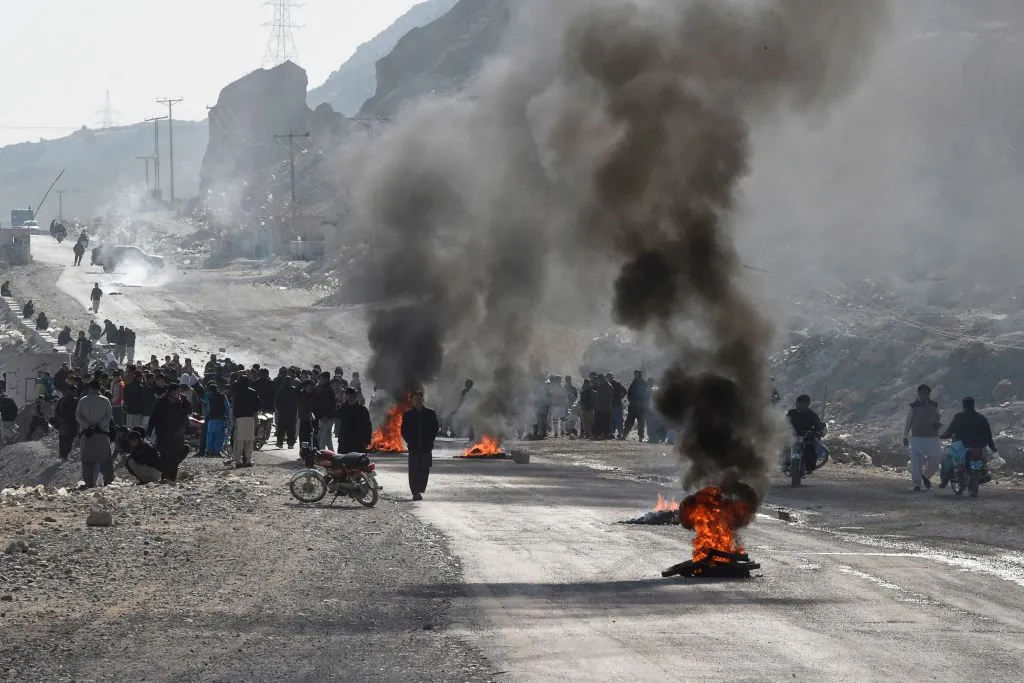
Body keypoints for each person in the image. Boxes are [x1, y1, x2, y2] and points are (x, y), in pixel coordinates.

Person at [940, 397, 997, 488]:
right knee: (981, 461)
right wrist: (993, 447)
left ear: (963, 405)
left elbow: (950, 431)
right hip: (978, 446)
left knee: (948, 458)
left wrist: (942, 436)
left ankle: (945, 479)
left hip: (962, 446)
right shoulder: (981, 418)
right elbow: (988, 435)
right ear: (973, 405)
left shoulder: (959, 417)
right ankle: (983, 473)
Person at [902, 384, 942, 491]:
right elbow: (908, 422)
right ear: (919, 394)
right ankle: (917, 484)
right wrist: (905, 436)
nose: (926, 395)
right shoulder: (914, 406)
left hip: (932, 437)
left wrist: (938, 424)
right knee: (916, 461)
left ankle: (926, 476)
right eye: (924, 393)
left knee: (935, 460)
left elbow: (938, 418)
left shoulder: (934, 405)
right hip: (917, 438)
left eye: (928, 393)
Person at [400, 389, 439, 501]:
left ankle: (420, 489)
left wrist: (431, 439)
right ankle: (415, 492)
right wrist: (409, 440)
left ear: (423, 399)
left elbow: (435, 428)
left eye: (419, 398)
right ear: (412, 400)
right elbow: (404, 430)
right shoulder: (408, 415)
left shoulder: (430, 413)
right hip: (414, 447)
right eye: (415, 399)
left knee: (424, 470)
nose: (417, 401)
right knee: (414, 470)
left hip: (426, 446)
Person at [148, 383, 191, 482]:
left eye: (179, 391)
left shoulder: (181, 402)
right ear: (170, 392)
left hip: (177, 433)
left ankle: (171, 477)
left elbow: (188, 412)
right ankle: (164, 475)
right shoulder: (161, 402)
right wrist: (149, 430)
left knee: (174, 455)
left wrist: (185, 401)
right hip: (163, 432)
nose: (178, 393)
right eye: (176, 391)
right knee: (164, 454)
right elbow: (153, 416)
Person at [76, 380, 114, 488]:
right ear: (100, 387)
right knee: (105, 458)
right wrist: (99, 425)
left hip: (87, 434)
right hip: (102, 433)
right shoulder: (105, 400)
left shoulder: (83, 400)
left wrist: (88, 425)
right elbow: (108, 417)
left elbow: (78, 416)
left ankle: (89, 482)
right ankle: (108, 480)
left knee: (87, 459)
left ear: (89, 388)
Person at [786, 394, 826, 475]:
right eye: (798, 403)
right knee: (785, 447)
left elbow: (818, 426)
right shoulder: (792, 413)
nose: (799, 405)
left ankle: (809, 467)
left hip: (806, 437)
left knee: (810, 449)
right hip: (792, 435)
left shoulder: (812, 414)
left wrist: (817, 432)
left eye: (802, 403)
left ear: (807, 404)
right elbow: (785, 422)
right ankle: (785, 464)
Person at [230, 375, 261, 468]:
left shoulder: (237, 393)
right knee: (249, 441)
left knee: (239, 442)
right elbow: (258, 406)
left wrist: (233, 420)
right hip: (250, 418)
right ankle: (248, 461)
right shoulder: (253, 392)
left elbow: (234, 408)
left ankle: (238, 461)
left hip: (240, 419)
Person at [337, 387, 372, 453]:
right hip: (345, 440)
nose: (350, 397)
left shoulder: (362, 409)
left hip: (358, 440)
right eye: (348, 395)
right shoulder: (343, 408)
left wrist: (367, 440)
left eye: (351, 395)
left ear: (355, 396)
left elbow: (367, 425)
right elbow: (337, 416)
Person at [203, 383, 231, 458]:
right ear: (217, 389)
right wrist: (228, 417)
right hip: (220, 419)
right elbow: (228, 407)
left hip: (212, 420)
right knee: (219, 436)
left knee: (210, 436)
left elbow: (208, 409)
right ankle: (216, 452)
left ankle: (209, 451)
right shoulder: (223, 396)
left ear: (210, 391)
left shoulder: (209, 397)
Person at [313, 372, 338, 451]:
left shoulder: (329, 390)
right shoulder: (318, 388)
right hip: (321, 417)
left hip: (328, 417)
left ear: (326, 379)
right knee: (325, 437)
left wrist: (326, 416)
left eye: (322, 378)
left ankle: (322, 453)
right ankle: (331, 452)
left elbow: (331, 405)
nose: (320, 380)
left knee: (322, 439)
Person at [274, 374, 300, 449]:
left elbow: (277, 401)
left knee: (281, 429)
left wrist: (278, 410)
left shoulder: (281, 390)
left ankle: (280, 443)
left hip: (283, 413)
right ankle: (290, 444)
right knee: (291, 429)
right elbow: (297, 400)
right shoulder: (293, 389)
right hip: (292, 413)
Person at [623, 370, 649, 442]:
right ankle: (624, 435)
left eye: (637, 375)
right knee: (629, 422)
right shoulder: (633, 384)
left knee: (641, 423)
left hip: (641, 408)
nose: (636, 377)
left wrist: (641, 403)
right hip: (633, 407)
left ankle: (641, 437)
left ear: (640, 376)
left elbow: (646, 396)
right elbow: (629, 394)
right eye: (635, 375)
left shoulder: (644, 384)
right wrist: (632, 402)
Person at [55, 386, 81, 460]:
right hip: (71, 423)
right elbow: (77, 412)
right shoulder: (75, 400)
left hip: (62, 423)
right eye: (76, 391)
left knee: (62, 439)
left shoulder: (62, 399)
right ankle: (65, 455)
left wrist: (60, 419)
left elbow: (56, 411)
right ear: (73, 391)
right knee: (69, 440)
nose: (76, 393)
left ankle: (62, 455)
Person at [298, 379, 317, 449]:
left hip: (313, 419)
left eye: (311, 387)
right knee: (302, 437)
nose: (309, 389)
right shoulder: (301, 394)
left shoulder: (315, 395)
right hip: (303, 418)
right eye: (307, 387)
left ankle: (312, 450)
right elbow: (296, 390)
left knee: (312, 436)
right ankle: (303, 451)